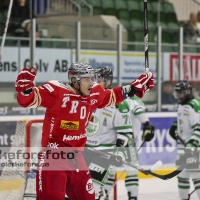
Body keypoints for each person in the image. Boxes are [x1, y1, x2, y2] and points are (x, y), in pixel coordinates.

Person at [15, 62, 154, 200]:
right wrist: (25, 91)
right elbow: (29, 100)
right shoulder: (56, 90)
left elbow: (111, 96)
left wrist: (134, 88)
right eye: (87, 79)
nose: (91, 82)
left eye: (92, 78)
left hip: (77, 158)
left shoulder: (94, 93)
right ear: (75, 81)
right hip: (54, 158)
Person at [85, 67, 154, 200]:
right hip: (86, 149)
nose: (95, 84)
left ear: (108, 81)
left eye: (99, 80)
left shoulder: (120, 102)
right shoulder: (86, 97)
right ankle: (103, 195)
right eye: (94, 80)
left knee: (95, 187)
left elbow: (132, 127)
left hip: (111, 149)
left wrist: (119, 152)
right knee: (78, 187)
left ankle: (131, 197)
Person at [169, 80, 200, 200]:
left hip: (193, 148)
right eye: (177, 93)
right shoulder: (181, 105)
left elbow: (198, 127)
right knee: (182, 177)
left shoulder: (194, 105)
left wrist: (192, 145)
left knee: (196, 176)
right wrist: (174, 126)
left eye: (180, 93)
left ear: (187, 92)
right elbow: (182, 120)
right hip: (183, 148)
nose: (178, 96)